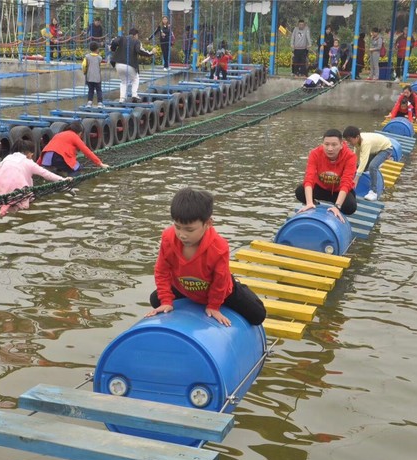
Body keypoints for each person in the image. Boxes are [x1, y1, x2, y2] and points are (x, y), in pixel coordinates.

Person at [146, 187, 266, 327]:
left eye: (189, 229)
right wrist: (166, 301)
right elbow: (161, 270)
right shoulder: (168, 238)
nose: (182, 234)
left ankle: (237, 285)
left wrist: (213, 306)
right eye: (177, 227)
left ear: (208, 223)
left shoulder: (218, 247)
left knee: (258, 315)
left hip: (218, 289)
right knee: (156, 300)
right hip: (185, 286)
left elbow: (220, 281)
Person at [0, 139, 72, 217]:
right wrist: (62, 179)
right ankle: (9, 204)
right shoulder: (29, 162)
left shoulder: (8, 158)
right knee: (28, 193)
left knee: (9, 193)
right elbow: (46, 174)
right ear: (29, 153)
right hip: (18, 192)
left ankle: (5, 205)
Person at [295, 129, 357, 218]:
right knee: (300, 192)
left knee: (350, 206)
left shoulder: (350, 157)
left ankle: (337, 210)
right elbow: (309, 178)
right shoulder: (315, 153)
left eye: (334, 145)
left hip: (338, 191)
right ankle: (314, 204)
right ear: (322, 144)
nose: (330, 148)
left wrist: (337, 206)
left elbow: (346, 182)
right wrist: (309, 203)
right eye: (326, 144)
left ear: (341, 145)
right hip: (321, 187)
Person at [38, 120, 109, 174]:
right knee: (77, 170)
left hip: (46, 159)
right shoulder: (74, 136)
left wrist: (37, 165)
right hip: (59, 158)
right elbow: (86, 151)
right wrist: (100, 163)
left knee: (53, 173)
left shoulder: (58, 135)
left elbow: (47, 149)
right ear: (80, 133)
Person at [342, 126, 393, 202]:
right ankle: (378, 163)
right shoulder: (357, 142)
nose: (349, 143)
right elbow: (355, 158)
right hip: (374, 149)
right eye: (347, 141)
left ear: (357, 137)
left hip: (386, 148)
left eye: (350, 140)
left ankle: (374, 192)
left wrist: (356, 179)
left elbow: (363, 161)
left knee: (372, 166)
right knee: (363, 168)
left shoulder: (365, 143)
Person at [110, 28, 153, 103]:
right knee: (135, 78)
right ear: (135, 35)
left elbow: (114, 41)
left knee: (124, 81)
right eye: (137, 35)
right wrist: (151, 53)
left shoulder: (122, 38)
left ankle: (122, 98)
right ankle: (134, 94)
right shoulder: (136, 41)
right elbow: (139, 50)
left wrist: (113, 49)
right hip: (129, 64)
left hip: (118, 64)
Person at [83, 41, 103, 107]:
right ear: (97, 49)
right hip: (97, 78)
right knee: (99, 90)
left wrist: (84, 72)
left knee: (90, 90)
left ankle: (89, 102)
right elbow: (100, 65)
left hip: (89, 77)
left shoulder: (87, 57)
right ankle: (100, 103)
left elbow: (84, 65)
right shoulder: (99, 58)